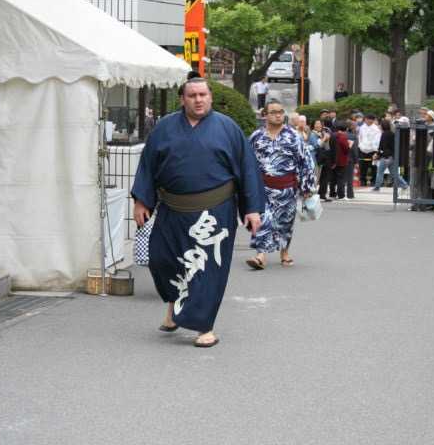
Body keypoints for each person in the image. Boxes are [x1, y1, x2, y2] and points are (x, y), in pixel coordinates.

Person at [131, 77, 264, 348]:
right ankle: (173, 306)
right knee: (162, 259)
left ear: (211, 98)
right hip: (172, 209)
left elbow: (248, 169)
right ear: (182, 99)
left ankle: (204, 326)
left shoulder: (228, 128)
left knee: (206, 269)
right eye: (192, 95)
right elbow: (147, 165)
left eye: (203, 94)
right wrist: (142, 201)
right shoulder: (165, 127)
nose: (198, 99)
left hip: (215, 212)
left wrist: (251, 208)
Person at [246, 100, 316, 270]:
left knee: (285, 223)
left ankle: (284, 252)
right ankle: (260, 255)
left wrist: (307, 187)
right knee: (264, 220)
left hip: (287, 187)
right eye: (273, 112)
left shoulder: (293, 136)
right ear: (265, 115)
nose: (278, 115)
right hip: (262, 188)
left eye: (281, 111)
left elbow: (305, 161)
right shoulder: (256, 137)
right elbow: (247, 162)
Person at [372, 119, 408, 191]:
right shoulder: (392, 133)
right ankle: (404, 185)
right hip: (392, 156)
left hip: (386, 157)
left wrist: (377, 154)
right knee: (394, 173)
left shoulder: (384, 134)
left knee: (380, 172)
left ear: (382, 126)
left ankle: (377, 187)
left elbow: (382, 147)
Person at [358, 113, 381, 186]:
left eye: (371, 120)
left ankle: (373, 181)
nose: (369, 121)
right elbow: (360, 137)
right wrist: (360, 145)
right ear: (365, 120)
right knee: (362, 166)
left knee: (373, 166)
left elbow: (377, 140)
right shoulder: (362, 127)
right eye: (367, 119)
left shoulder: (376, 129)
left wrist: (376, 150)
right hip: (363, 149)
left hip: (372, 150)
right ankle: (362, 180)